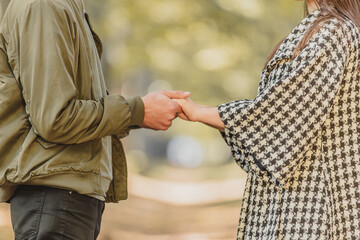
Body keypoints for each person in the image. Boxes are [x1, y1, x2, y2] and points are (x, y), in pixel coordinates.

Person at [0, 0, 189, 239]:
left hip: (65, 198)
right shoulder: (45, 5)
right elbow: (55, 118)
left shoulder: (65, 6)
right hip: (54, 199)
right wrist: (136, 111)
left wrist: (142, 111)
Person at [176, 0, 360, 239]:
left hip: (312, 199)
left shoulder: (334, 31)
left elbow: (286, 111)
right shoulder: (319, 29)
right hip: (295, 193)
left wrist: (201, 112)